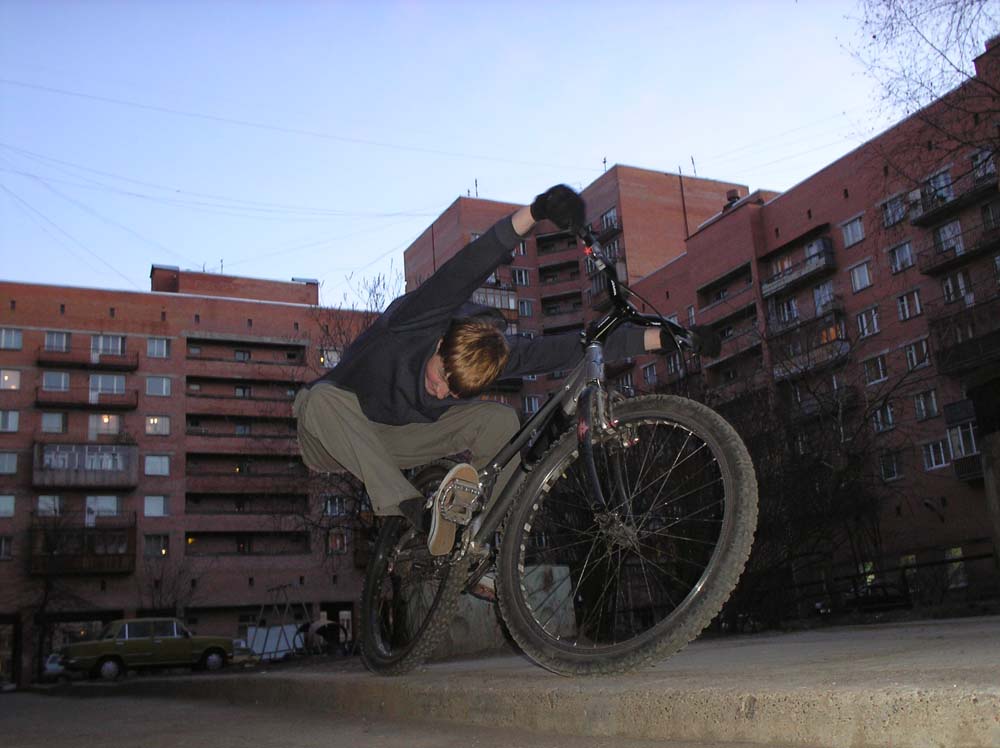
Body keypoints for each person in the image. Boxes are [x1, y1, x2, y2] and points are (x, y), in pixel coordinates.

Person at [294, 185, 665, 556]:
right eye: (442, 376)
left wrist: (659, 338)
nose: (441, 392)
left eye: (455, 392)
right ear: (441, 344)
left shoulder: (491, 359)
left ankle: (479, 545)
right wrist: (536, 212)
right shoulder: (417, 321)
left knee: (500, 420)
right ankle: (410, 506)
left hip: (400, 441)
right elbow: (469, 266)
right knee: (319, 398)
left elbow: (562, 350)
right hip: (331, 437)